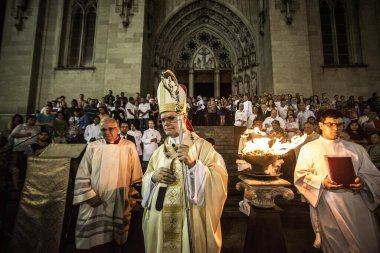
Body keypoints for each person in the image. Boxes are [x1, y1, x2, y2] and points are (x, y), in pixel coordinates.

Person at [141, 73, 228, 253]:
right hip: (160, 220)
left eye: (171, 118)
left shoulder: (203, 147)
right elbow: (146, 180)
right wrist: (153, 178)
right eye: (163, 120)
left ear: (183, 117)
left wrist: (193, 165)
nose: (166, 123)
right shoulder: (158, 152)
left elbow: (219, 182)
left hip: (190, 220)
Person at [294, 109, 380, 253]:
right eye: (330, 124)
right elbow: (300, 176)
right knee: (335, 244)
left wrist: (363, 182)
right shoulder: (308, 149)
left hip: (357, 201)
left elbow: (373, 175)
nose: (336, 128)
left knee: (364, 243)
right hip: (327, 202)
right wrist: (322, 182)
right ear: (320, 125)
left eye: (339, 125)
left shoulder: (356, 149)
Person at [73, 118, 143, 251]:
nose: (107, 132)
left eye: (110, 129)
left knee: (116, 240)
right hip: (96, 199)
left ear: (117, 129)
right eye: (104, 129)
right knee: (94, 242)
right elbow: (83, 173)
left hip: (119, 198)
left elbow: (135, 175)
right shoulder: (93, 146)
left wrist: (133, 196)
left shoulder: (128, 146)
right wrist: (89, 195)